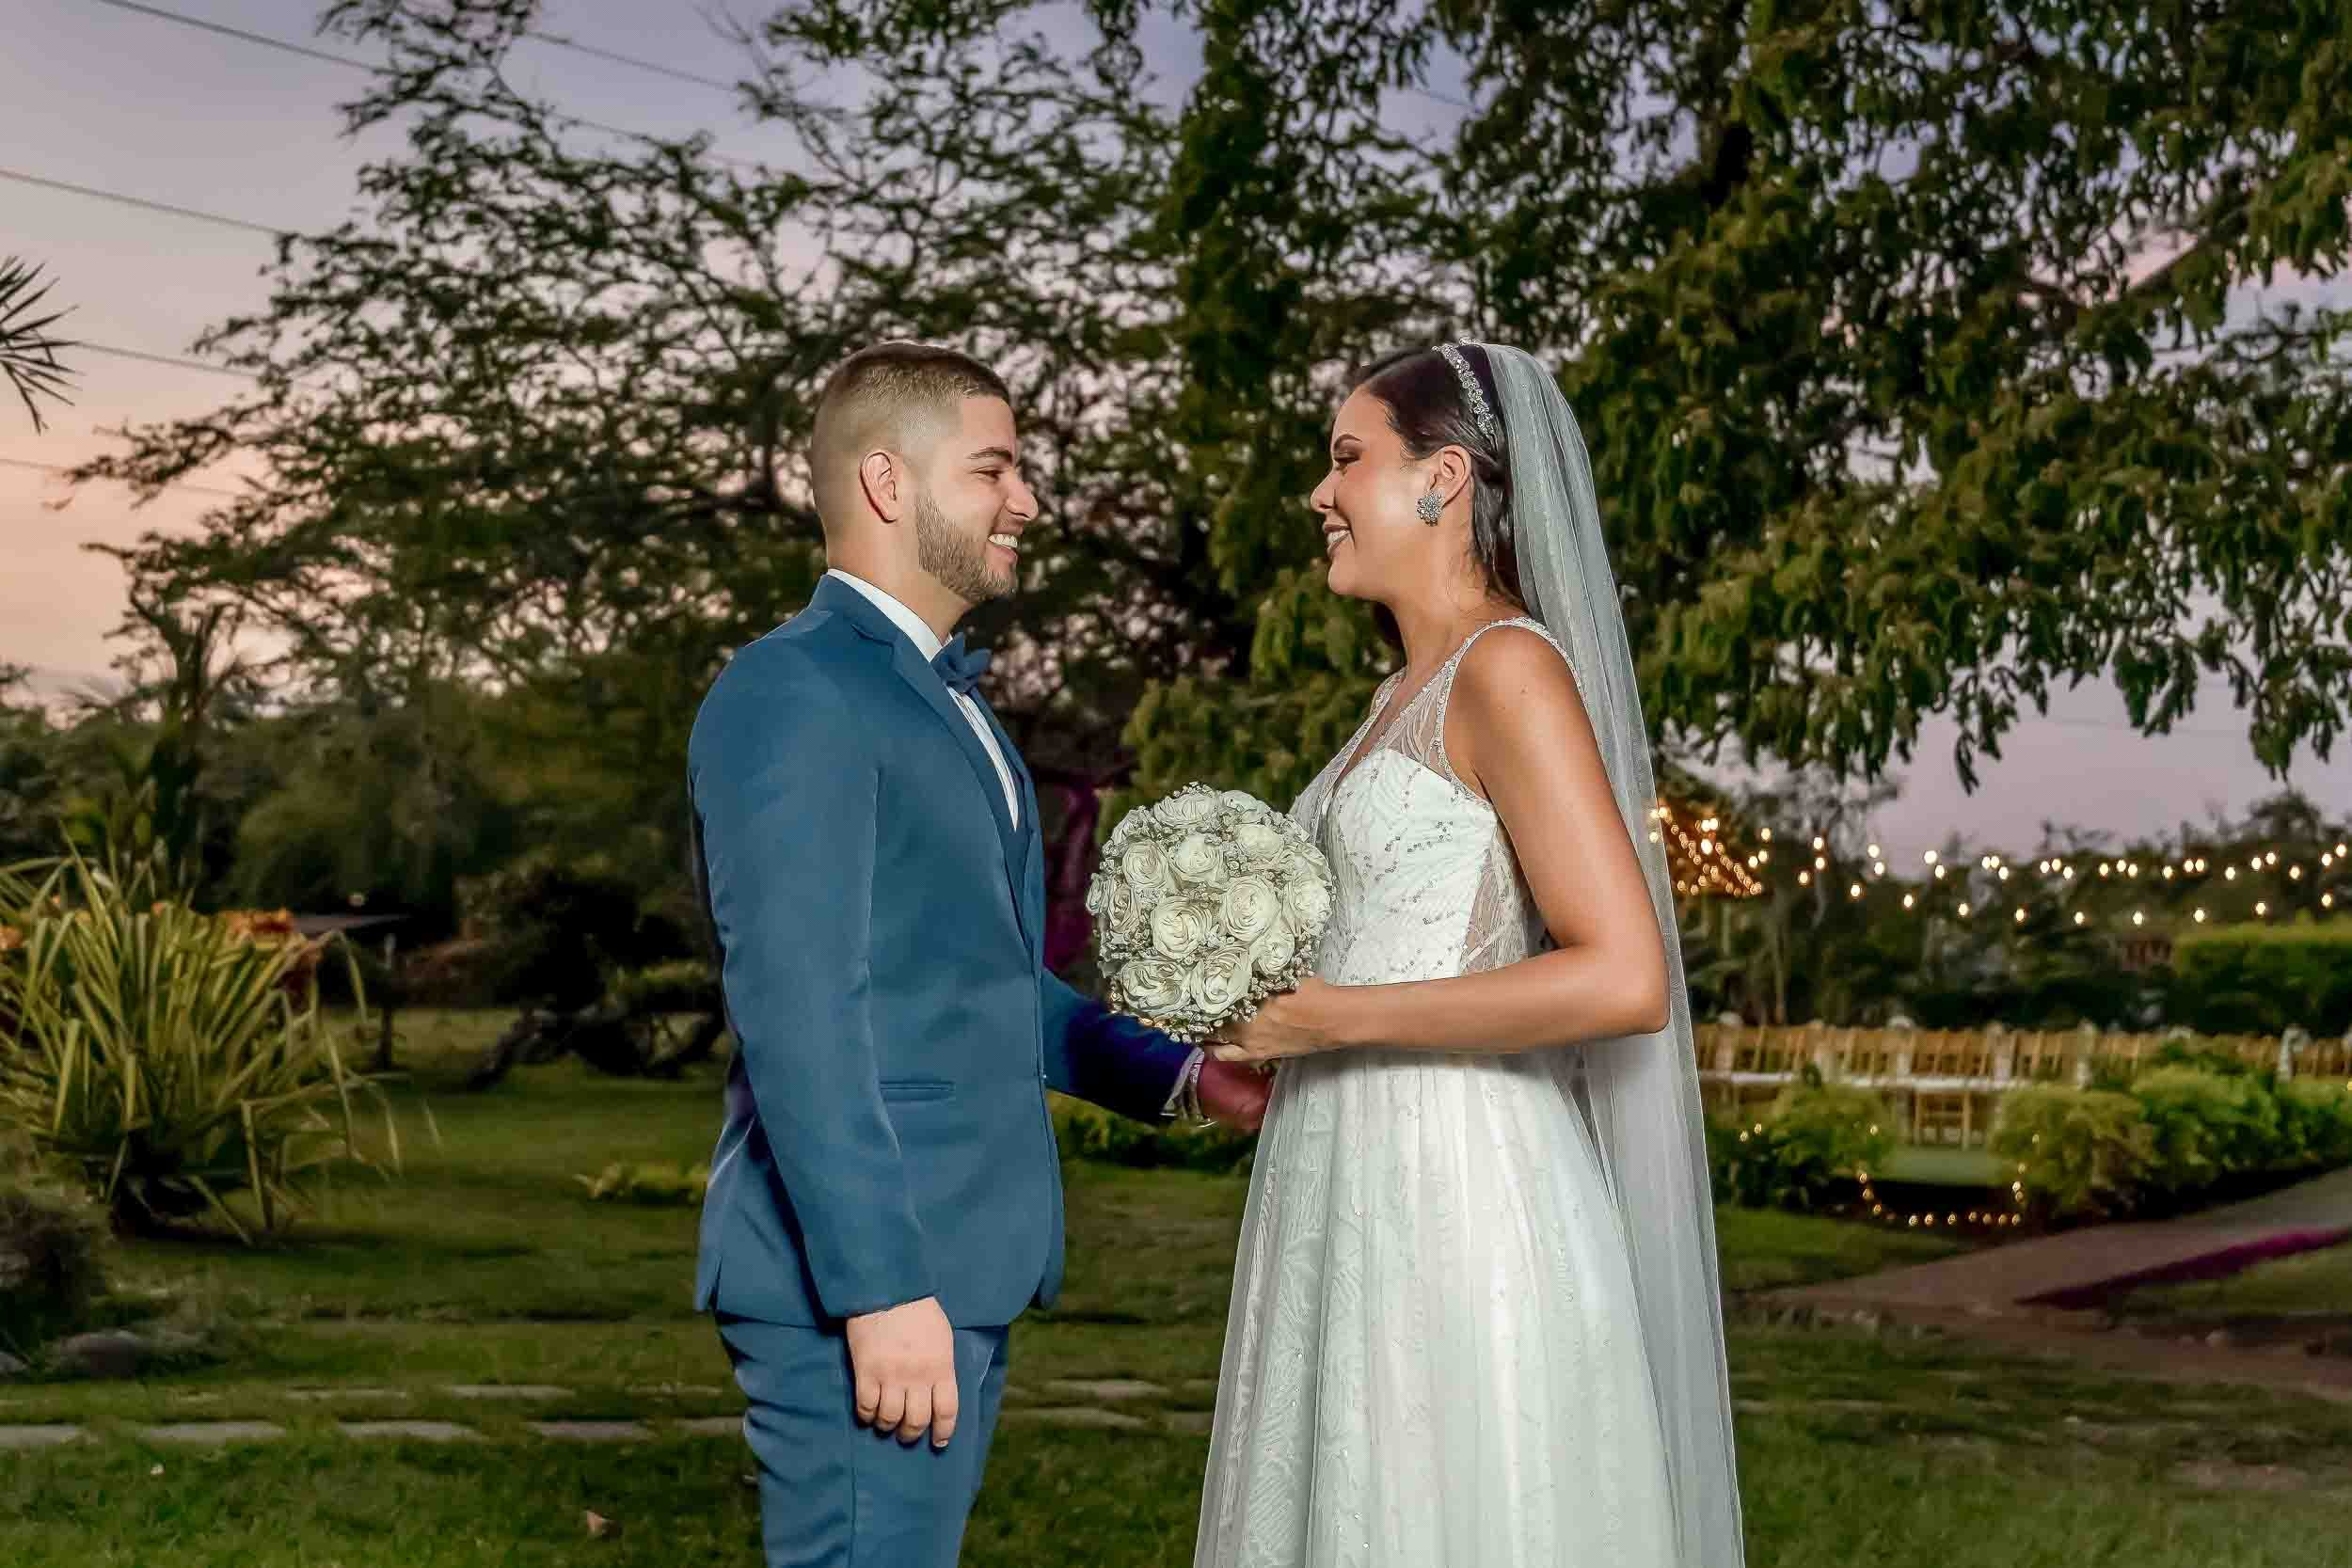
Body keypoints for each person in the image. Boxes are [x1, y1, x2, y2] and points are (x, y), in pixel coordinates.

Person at [687, 341, 1271, 1568]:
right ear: (889, 483)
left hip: (962, 1260)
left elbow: (984, 986)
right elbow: (799, 1011)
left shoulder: (945, 704)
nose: (1029, 502)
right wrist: (881, 1289)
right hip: (875, 1272)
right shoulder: (794, 692)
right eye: (996, 469)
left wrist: (1180, 1075)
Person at [1193, 343, 1744, 1567]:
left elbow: (1624, 977)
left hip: (1455, 1179)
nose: (1319, 496)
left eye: (1347, 460)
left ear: (1443, 479)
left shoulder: (1507, 669)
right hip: (1340, 1165)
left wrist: (1327, 1019)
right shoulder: (1396, 697)